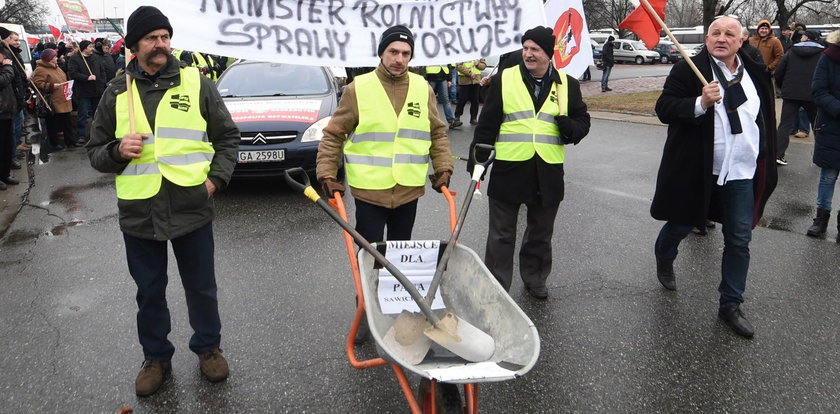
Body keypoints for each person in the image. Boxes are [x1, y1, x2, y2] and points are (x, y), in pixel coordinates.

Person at [86, 6, 240, 397]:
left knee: (201, 287)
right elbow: (95, 152)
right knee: (149, 292)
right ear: (134, 45)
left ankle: (208, 348)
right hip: (139, 213)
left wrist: (215, 180)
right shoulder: (117, 91)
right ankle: (156, 357)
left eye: (165, 37)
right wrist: (118, 150)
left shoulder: (196, 83)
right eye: (152, 38)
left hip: (192, 206)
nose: (161, 45)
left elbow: (227, 137)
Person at [316, 25, 454, 342]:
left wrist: (443, 167)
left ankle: (398, 310)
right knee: (369, 256)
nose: (399, 59)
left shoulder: (423, 88)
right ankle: (365, 310)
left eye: (405, 53)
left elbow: (437, 133)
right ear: (382, 52)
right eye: (393, 52)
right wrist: (327, 173)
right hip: (370, 192)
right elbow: (334, 134)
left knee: (401, 255)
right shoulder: (358, 89)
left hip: (408, 190)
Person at [651, 16, 777, 338]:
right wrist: (700, 102)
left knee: (739, 239)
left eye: (729, 34)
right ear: (707, 39)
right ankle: (664, 254)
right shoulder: (687, 70)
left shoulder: (755, 73)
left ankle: (730, 305)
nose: (721, 38)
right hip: (700, 171)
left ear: (740, 40)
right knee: (680, 224)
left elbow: (763, 119)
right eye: (715, 33)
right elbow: (664, 108)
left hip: (741, 173)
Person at [469, 26, 591, 299]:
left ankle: (535, 277)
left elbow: (583, 123)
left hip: (547, 170)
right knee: (501, 235)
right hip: (509, 167)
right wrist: (477, 163)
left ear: (548, 54)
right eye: (525, 48)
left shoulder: (566, 84)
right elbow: (487, 124)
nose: (528, 54)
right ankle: (497, 286)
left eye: (535, 49)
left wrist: (568, 126)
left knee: (540, 231)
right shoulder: (505, 79)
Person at [806, 29, 840, 240]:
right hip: (831, 124)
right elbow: (818, 91)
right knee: (828, 176)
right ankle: (821, 220)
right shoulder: (828, 57)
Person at [774, 30, 824, 165]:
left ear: (806, 37)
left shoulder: (791, 51)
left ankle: (778, 154)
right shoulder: (822, 53)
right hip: (813, 94)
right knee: (817, 125)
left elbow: (779, 71)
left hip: (791, 92)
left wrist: (782, 86)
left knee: (784, 125)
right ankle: (822, 155)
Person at [31, 48, 75, 151]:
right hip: (52, 101)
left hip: (63, 98)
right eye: (54, 56)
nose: (56, 58)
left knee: (66, 121)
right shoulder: (40, 69)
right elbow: (37, 84)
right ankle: (54, 143)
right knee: (52, 123)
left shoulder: (56, 67)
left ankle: (70, 141)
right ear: (49, 59)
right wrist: (51, 86)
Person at [68, 39, 107, 143]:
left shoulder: (96, 57)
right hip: (83, 91)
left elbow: (102, 70)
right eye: (90, 47)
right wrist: (86, 78)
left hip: (97, 90)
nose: (92, 49)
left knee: (97, 113)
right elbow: (73, 73)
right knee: (83, 113)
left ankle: (96, 134)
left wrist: (102, 82)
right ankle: (81, 134)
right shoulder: (75, 59)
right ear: (84, 48)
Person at [0, 27, 20, 191]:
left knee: (6, 146)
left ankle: (5, 173)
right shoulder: (5, 67)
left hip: (6, 111)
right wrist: (7, 68)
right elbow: (3, 80)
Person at [425, 63, 461, 128]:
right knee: (428, 100)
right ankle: (427, 121)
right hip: (430, 77)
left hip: (443, 77)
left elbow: (448, 64)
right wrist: (424, 78)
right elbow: (422, 64)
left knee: (446, 100)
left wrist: (449, 79)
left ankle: (451, 121)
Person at [454, 58, 486, 125]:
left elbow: (483, 66)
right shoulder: (463, 52)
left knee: (475, 100)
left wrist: (478, 64)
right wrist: (469, 73)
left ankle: (473, 118)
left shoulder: (479, 53)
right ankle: (457, 117)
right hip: (465, 81)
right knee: (462, 99)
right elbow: (458, 66)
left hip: (476, 81)